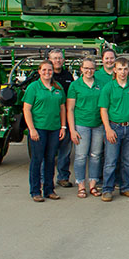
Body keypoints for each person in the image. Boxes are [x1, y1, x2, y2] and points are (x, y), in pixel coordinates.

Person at [98, 58, 129, 201]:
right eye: (120, 69)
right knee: (111, 160)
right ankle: (107, 189)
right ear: (114, 70)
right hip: (114, 127)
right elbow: (103, 109)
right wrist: (108, 129)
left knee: (127, 161)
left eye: (125, 69)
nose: (123, 72)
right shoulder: (108, 87)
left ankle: (126, 187)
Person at [23, 60, 67, 202]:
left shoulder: (58, 87)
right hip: (39, 129)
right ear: (39, 71)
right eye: (44, 70)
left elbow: (62, 108)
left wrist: (63, 126)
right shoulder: (33, 88)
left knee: (50, 160)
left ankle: (49, 190)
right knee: (37, 160)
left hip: (54, 129)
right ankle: (35, 191)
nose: (47, 73)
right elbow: (27, 109)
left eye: (49, 70)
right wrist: (32, 129)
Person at [67, 57, 104, 198]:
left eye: (92, 68)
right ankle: (81, 185)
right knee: (81, 156)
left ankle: (93, 185)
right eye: (86, 68)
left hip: (98, 125)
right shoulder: (75, 86)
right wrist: (72, 130)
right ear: (81, 69)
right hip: (81, 125)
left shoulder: (100, 85)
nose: (89, 71)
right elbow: (70, 109)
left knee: (96, 156)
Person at [47, 49, 75, 189]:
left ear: (63, 60)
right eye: (54, 58)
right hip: (49, 119)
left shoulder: (68, 76)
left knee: (65, 151)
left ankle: (63, 177)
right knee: (48, 152)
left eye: (59, 58)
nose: (57, 60)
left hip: (65, 118)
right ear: (49, 59)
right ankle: (45, 179)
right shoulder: (45, 76)